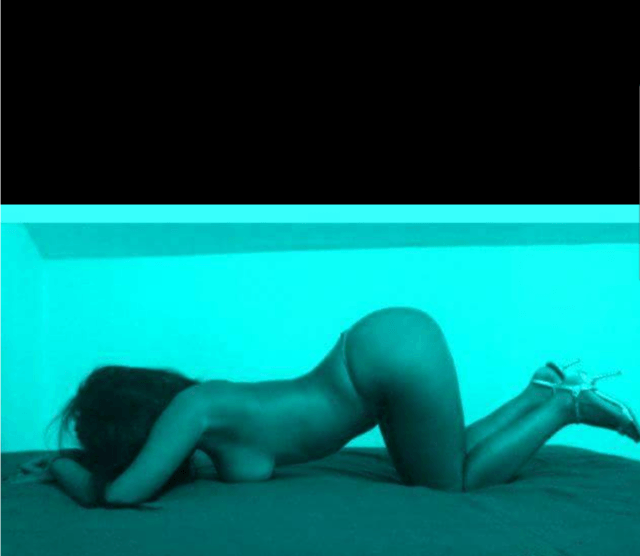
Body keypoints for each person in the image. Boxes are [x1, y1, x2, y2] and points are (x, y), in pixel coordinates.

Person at [11, 307, 640, 509]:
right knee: (443, 460)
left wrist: (61, 467)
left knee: (450, 484)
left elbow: (120, 496)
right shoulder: (204, 416)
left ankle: (564, 409)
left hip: (382, 358)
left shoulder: (191, 410)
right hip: (378, 350)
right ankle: (542, 391)